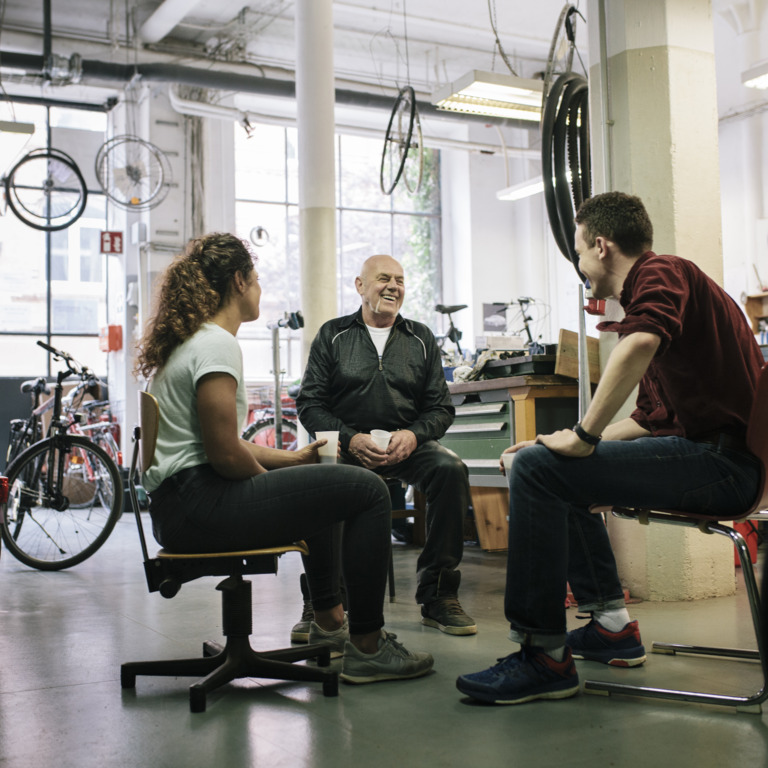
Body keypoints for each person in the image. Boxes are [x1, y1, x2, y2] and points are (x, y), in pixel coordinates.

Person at [457, 191, 764, 704]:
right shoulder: (668, 303)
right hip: (718, 460)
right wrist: (558, 443)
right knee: (545, 465)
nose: (580, 265)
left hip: (723, 465)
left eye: (578, 252)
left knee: (539, 468)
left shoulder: (661, 270)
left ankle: (542, 655)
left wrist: (582, 437)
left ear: (601, 246)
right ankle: (610, 627)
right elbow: (647, 420)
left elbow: (639, 344)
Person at [134, 232, 433, 685]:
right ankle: (369, 648)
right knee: (368, 491)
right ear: (238, 281)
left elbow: (221, 441)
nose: (259, 290)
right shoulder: (216, 345)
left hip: (180, 506)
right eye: (255, 280)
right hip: (200, 506)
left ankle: (330, 622)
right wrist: (270, 489)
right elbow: (226, 454)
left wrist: (293, 465)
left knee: (321, 479)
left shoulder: (191, 342)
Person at [295, 254, 476, 636]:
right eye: (383, 278)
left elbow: (440, 409)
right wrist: (350, 438)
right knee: (319, 479)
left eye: (400, 279)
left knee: (451, 470)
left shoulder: (421, 338)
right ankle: (322, 598)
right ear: (360, 286)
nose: (394, 286)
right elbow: (309, 403)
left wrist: (413, 435)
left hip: (404, 444)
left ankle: (438, 595)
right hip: (348, 444)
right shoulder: (333, 335)